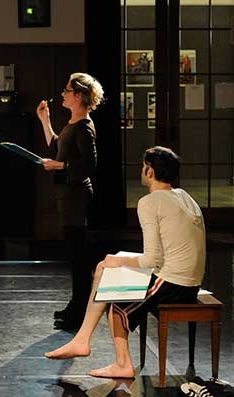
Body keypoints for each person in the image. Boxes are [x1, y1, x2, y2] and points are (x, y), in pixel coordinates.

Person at [45, 146, 206, 380]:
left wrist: (118, 259)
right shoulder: (184, 196)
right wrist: (115, 262)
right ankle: (82, 339)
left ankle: (121, 363)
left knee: (116, 305)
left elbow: (152, 259)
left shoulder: (150, 202)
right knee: (103, 267)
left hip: (174, 283)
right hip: (190, 280)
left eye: (144, 167)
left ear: (149, 171)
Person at [35, 72, 104, 330]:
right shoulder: (72, 123)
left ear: (77, 96)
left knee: (78, 256)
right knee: (74, 254)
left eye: (66, 90)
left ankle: (80, 310)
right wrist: (45, 120)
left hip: (76, 196)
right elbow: (56, 147)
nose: (62, 94)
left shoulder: (84, 126)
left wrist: (59, 165)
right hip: (68, 195)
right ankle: (76, 305)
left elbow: (89, 164)